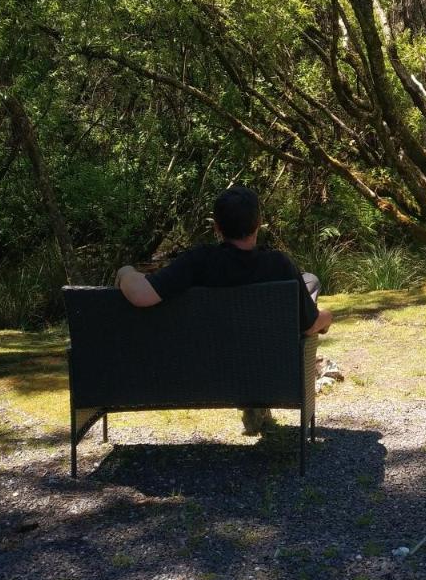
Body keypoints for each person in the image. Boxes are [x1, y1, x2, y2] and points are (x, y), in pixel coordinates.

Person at [113, 185, 332, 435]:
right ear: (258, 223)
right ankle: (256, 401)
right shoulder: (279, 266)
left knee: (309, 280)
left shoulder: (198, 263)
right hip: (267, 368)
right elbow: (308, 325)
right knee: (309, 283)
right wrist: (327, 318)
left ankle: (252, 404)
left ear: (216, 226)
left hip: (209, 371)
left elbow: (141, 295)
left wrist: (126, 272)